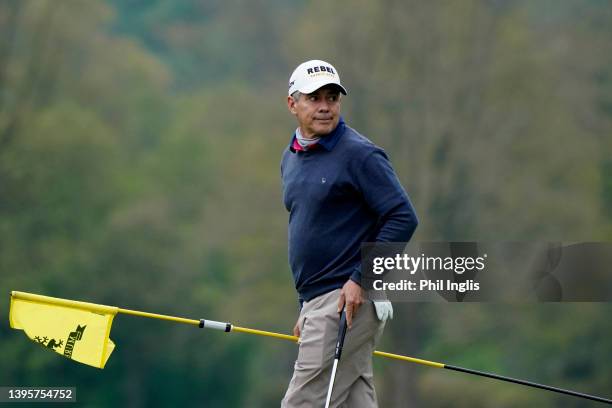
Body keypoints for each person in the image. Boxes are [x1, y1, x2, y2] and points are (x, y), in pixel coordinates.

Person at [280, 59, 418, 407]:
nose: (325, 106)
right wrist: (305, 305)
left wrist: (362, 277)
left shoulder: (360, 155)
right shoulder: (291, 157)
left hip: (345, 300)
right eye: (314, 98)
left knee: (302, 403)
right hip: (320, 302)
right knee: (355, 400)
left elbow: (402, 216)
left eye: (332, 97)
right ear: (292, 104)